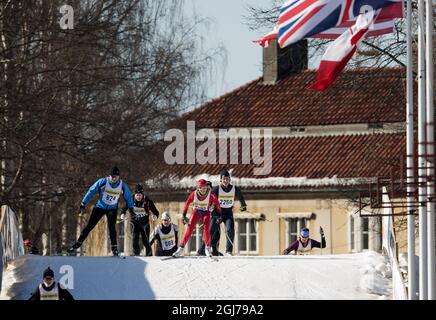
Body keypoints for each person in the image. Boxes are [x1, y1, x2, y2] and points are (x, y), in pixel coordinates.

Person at [68, 166, 134, 256]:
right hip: (100, 207)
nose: (114, 178)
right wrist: (83, 204)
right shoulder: (103, 182)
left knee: (112, 228)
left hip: (112, 208)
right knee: (90, 226)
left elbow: (129, 197)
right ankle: (77, 244)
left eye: (116, 176)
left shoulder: (122, 185)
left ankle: (114, 248)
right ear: (109, 176)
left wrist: (131, 209)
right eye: (112, 176)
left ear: (119, 177)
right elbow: (91, 191)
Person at [201, 169, 247, 256]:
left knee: (230, 230)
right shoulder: (216, 189)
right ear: (221, 180)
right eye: (224, 179)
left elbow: (241, 197)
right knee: (211, 230)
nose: (225, 181)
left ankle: (228, 251)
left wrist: (243, 205)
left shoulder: (234, 189)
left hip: (228, 213)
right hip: (217, 214)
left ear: (229, 179)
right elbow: (208, 200)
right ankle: (206, 248)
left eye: (227, 179)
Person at [172, 179, 222, 258]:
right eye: (201, 188)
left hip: (206, 212)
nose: (203, 189)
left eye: (205, 187)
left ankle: (207, 248)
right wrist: (184, 215)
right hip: (196, 212)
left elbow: (217, 204)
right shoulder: (193, 194)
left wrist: (219, 215)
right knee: (189, 229)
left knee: (206, 229)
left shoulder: (211, 194)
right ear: (198, 188)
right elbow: (187, 203)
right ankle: (181, 248)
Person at [120, 184, 159, 256]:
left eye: (140, 195)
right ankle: (136, 254)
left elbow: (155, 211)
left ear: (142, 195)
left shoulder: (147, 201)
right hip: (135, 223)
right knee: (134, 239)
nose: (138, 197)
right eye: (137, 195)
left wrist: (155, 216)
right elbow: (124, 208)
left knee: (146, 240)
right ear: (134, 195)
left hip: (145, 223)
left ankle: (149, 253)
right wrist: (122, 213)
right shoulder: (130, 199)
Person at [197, 180, 222, 256]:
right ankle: (202, 249)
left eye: (208, 188)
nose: (207, 189)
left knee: (216, 236)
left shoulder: (214, 197)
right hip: (207, 220)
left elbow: (219, 208)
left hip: (215, 218)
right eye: (205, 187)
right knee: (209, 233)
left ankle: (214, 250)